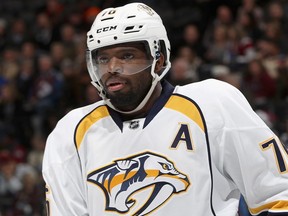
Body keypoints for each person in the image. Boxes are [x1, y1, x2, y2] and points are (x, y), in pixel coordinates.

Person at [42, 3, 288, 215]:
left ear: (158, 60)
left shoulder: (212, 103)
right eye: (103, 58)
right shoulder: (71, 132)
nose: (112, 68)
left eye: (127, 56)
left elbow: (279, 193)